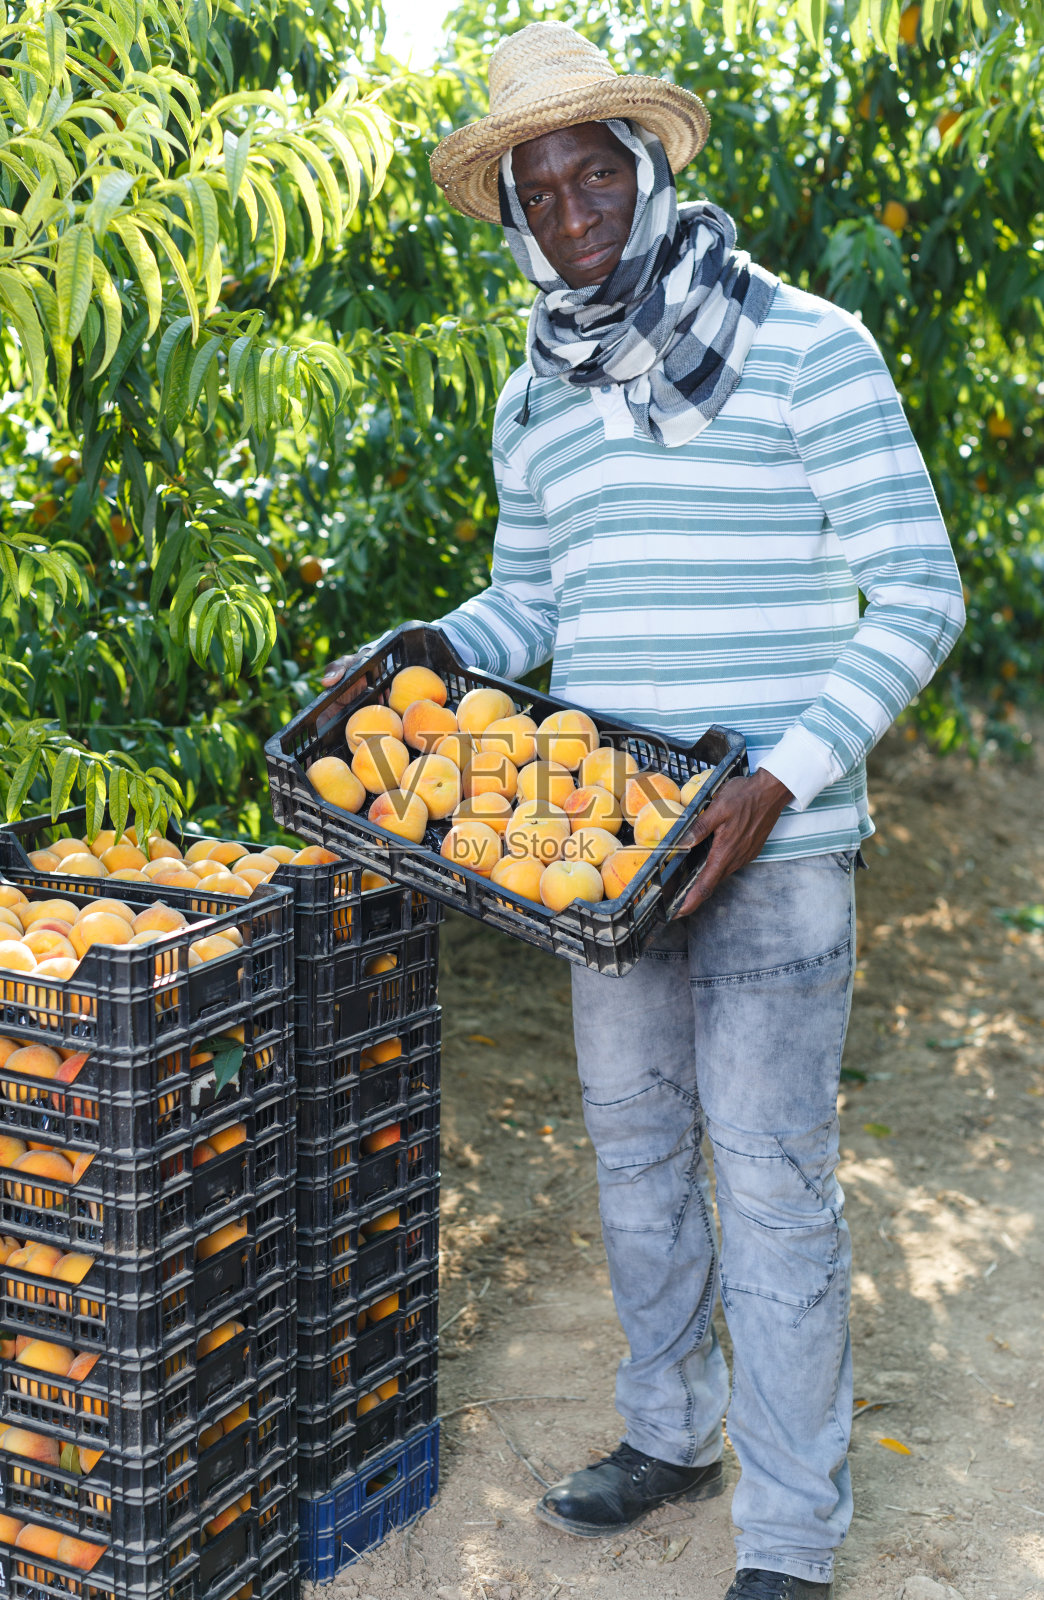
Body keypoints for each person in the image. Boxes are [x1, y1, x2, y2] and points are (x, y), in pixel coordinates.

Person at [325, 21, 965, 1599]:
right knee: (630, 1151)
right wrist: (428, 651)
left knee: (769, 1177)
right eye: (534, 189)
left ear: (646, 164)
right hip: (599, 851)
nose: (567, 207)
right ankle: (671, 1431)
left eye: (587, 169)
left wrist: (775, 779)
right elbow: (530, 604)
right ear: (519, 216)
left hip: (777, 843)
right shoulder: (535, 392)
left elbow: (922, 591)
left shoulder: (809, 346)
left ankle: (796, 1533)